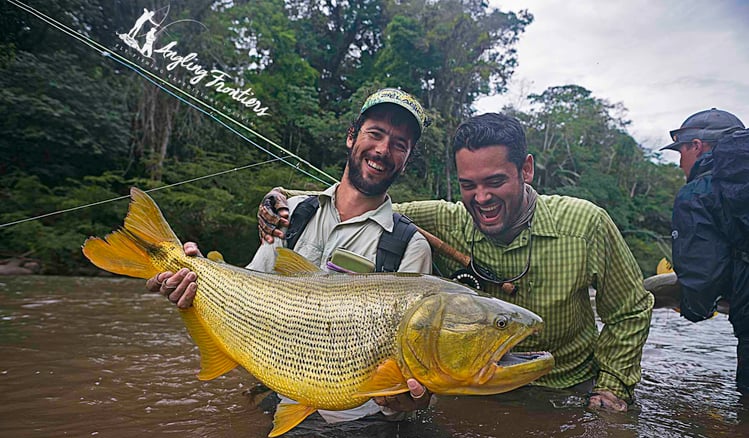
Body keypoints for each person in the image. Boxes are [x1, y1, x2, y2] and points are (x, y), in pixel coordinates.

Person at [261, 112, 654, 412]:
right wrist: (281, 198)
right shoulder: (447, 219)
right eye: (469, 185)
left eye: (495, 182)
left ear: (526, 170)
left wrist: (612, 389)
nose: (481, 198)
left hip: (565, 394)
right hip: (471, 393)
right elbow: (361, 202)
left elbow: (630, 310)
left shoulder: (585, 225)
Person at [147, 88, 434, 421]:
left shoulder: (411, 247)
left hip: (358, 426)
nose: (383, 150)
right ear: (351, 136)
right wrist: (194, 282)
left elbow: (413, 382)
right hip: (274, 398)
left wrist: (412, 403)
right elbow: (244, 297)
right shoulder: (291, 212)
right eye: (376, 133)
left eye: (399, 144)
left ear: (406, 160)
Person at [659, 108, 748, 393]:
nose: (680, 163)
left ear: (697, 146)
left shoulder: (698, 192)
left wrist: (693, 307)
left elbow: (703, 276)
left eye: (680, 153)